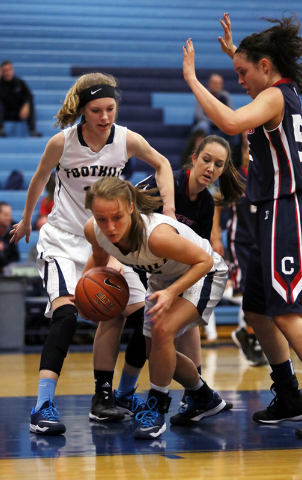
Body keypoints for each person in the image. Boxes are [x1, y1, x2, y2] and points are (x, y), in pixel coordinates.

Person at [182, 13, 302, 438]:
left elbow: (232, 123)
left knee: (290, 315)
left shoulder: (274, 96)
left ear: (266, 67)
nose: (239, 80)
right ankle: (290, 396)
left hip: (291, 211)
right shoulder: (274, 91)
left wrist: (194, 81)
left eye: (243, 72)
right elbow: (251, 83)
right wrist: (237, 53)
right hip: (272, 212)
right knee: (257, 308)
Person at [9, 72, 176, 435]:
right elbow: (39, 178)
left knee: (142, 318)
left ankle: (111, 396)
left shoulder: (126, 139)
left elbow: (162, 164)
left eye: (110, 109)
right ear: (83, 111)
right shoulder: (62, 142)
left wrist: (170, 212)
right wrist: (25, 221)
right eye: (97, 110)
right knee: (66, 316)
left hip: (107, 239)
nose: (105, 117)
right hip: (63, 240)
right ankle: (42, 405)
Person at [82, 175, 230, 440]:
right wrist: (83, 293)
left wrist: (172, 293)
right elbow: (100, 257)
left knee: (162, 330)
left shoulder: (156, 236)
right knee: (156, 352)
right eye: (102, 219)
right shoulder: (93, 230)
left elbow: (204, 261)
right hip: (164, 278)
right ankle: (204, 397)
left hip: (204, 272)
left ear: (130, 207)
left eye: (116, 217)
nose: (110, 227)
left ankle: (156, 409)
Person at [111, 135, 243, 416]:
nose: (210, 168)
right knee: (151, 329)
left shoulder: (206, 204)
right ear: (194, 158)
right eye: (206, 160)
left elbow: (200, 254)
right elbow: (121, 211)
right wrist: (113, 258)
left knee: (172, 328)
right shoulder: (167, 182)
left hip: (171, 269)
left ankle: (192, 393)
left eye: (218, 165)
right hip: (136, 260)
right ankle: (127, 392)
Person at [211, 133, 267, 366]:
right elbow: (217, 204)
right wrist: (216, 235)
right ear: (243, 153)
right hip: (240, 242)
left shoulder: (266, 176)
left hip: (264, 240)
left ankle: (247, 334)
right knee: (247, 289)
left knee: (260, 292)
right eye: (247, 150)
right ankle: (250, 336)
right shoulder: (234, 177)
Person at [0, 60, 42, 138]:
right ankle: (0, 129)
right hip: (4, 114)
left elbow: (29, 96)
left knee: (30, 104)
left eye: (9, 70)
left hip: (18, 113)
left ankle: (32, 131)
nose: (7, 72)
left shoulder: (19, 82)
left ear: (12, 70)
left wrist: (26, 105)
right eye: (5, 71)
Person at [191, 74, 233, 138]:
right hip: (207, 124)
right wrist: (216, 121)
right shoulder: (201, 95)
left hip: (222, 125)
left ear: (222, 85)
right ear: (209, 84)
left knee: (234, 127)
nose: (216, 85)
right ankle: (201, 147)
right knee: (202, 125)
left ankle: (234, 147)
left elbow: (231, 114)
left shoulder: (226, 97)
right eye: (214, 83)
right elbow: (199, 116)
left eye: (219, 83)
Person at [0, 201, 19, 272]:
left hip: (7, 272)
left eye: (9, 215)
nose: (8, 218)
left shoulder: (13, 230)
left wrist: (8, 267)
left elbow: (15, 257)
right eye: (5, 215)